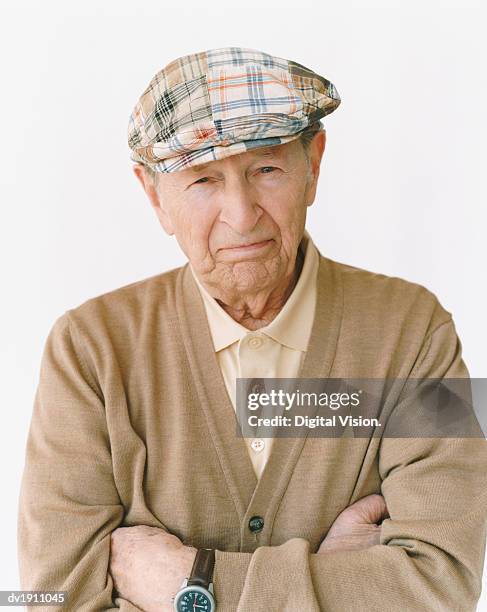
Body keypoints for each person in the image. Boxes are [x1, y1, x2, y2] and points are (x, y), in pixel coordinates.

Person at [18, 46, 487, 612]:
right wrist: (330, 580)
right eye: (202, 181)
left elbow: (444, 583)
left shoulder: (418, 333)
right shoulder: (87, 350)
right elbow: (51, 599)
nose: (241, 215)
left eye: (266, 168)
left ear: (313, 165)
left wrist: (194, 584)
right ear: (153, 196)